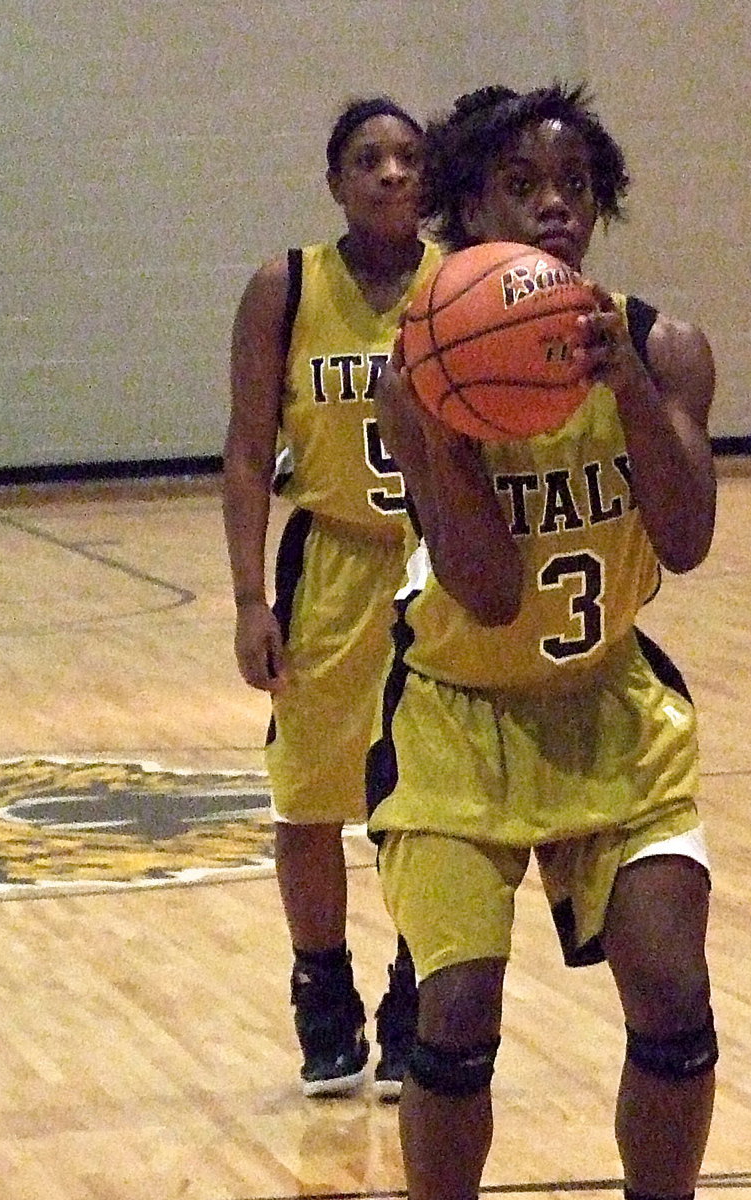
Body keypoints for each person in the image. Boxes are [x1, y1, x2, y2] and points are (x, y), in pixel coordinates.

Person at [368, 84, 718, 1200]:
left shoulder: (665, 345)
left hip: (612, 707)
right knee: (458, 1010)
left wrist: (623, 387)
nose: (554, 206)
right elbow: (483, 587)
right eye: (521, 185)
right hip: (459, 718)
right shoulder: (412, 375)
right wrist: (445, 437)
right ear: (467, 208)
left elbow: (691, 537)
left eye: (573, 185)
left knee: (671, 992)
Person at [222, 96, 442, 1098]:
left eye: (406, 158)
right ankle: (323, 995)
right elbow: (244, 448)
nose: (391, 174)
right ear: (336, 179)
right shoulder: (288, 286)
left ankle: (416, 994)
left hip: (444, 565)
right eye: (369, 159)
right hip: (333, 562)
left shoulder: (467, 283)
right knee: (310, 799)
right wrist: (246, 597)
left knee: (431, 802)